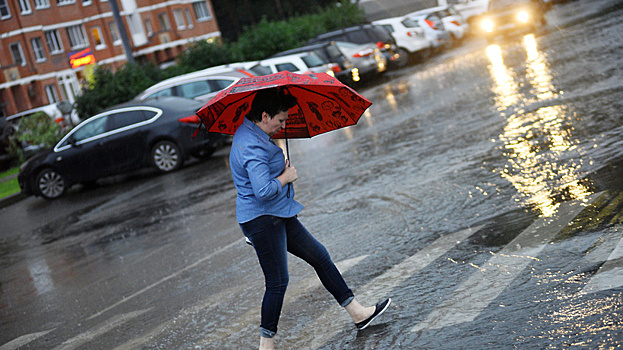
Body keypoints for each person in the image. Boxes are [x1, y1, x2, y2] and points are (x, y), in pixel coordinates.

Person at [229, 87, 391, 350]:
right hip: (263, 219)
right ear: (265, 115)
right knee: (278, 281)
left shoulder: (253, 133)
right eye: (280, 120)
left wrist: (279, 168)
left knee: (319, 256)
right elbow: (263, 191)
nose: (283, 125)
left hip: (278, 214)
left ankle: (358, 313)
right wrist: (285, 177)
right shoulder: (251, 146)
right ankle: (265, 344)